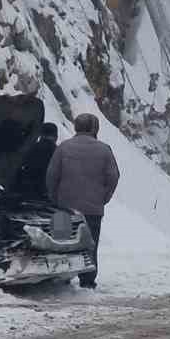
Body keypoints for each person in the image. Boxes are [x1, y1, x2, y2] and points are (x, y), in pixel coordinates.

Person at [46, 113, 121, 288]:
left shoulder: (63, 148)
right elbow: (113, 176)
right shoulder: (104, 149)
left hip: (64, 207)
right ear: (94, 128)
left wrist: (55, 198)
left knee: (62, 243)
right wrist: (103, 198)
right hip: (92, 208)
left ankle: (62, 278)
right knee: (90, 245)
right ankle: (87, 280)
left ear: (76, 127)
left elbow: (51, 176)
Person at [14, 123, 59, 200]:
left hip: (26, 192)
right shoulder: (59, 152)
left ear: (40, 134)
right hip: (47, 196)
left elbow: (18, 168)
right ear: (56, 137)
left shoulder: (30, 148)